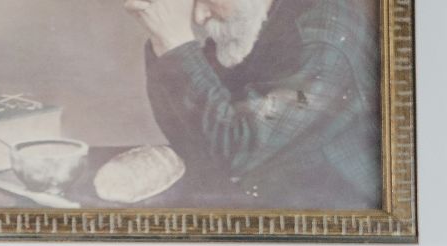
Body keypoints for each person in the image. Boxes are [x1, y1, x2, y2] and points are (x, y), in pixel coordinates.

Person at [126, 0, 380, 207]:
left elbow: (236, 150)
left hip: (330, 214)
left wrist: (174, 42)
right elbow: (192, 135)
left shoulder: (324, 41)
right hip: (263, 194)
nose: (199, 17)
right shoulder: (252, 16)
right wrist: (163, 42)